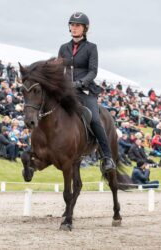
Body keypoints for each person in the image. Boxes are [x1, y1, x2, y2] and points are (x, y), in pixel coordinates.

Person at [58, 12, 114, 173]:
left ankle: (107, 157)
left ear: (85, 28)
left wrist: (80, 83)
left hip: (85, 91)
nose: (74, 28)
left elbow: (93, 71)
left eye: (78, 25)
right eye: (72, 25)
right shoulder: (63, 48)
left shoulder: (91, 48)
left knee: (95, 120)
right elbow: (59, 69)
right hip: (67, 91)